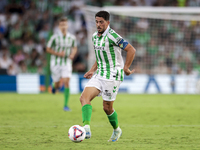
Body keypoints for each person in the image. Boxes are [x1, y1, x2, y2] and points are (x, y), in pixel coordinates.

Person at [80, 11, 136, 142]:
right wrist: (92, 70)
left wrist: (126, 68)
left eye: (101, 22)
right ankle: (86, 128)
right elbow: (100, 57)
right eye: (96, 22)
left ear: (108, 23)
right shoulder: (94, 36)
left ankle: (117, 130)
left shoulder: (112, 36)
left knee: (107, 108)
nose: (98, 25)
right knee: (84, 98)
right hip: (100, 74)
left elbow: (131, 50)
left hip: (113, 75)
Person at [46, 17, 77, 111]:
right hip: (56, 63)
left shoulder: (71, 38)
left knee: (67, 81)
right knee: (58, 85)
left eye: (65, 24)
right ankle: (54, 85)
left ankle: (66, 105)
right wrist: (58, 53)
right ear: (59, 26)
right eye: (61, 25)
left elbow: (74, 47)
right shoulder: (54, 37)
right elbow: (48, 49)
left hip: (66, 62)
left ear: (67, 26)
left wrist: (72, 54)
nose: (63, 26)